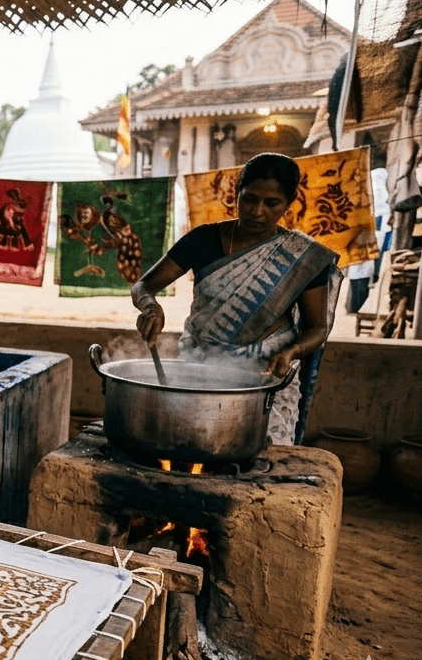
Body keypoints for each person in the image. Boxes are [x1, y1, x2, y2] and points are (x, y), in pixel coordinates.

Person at [132, 152, 340, 445]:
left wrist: (292, 352)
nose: (257, 211)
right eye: (250, 199)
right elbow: (143, 285)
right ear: (236, 194)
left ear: (289, 204)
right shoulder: (203, 240)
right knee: (189, 449)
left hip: (265, 379)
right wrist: (150, 306)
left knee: (262, 462)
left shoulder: (301, 257)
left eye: (272, 203)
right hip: (199, 369)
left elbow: (317, 328)